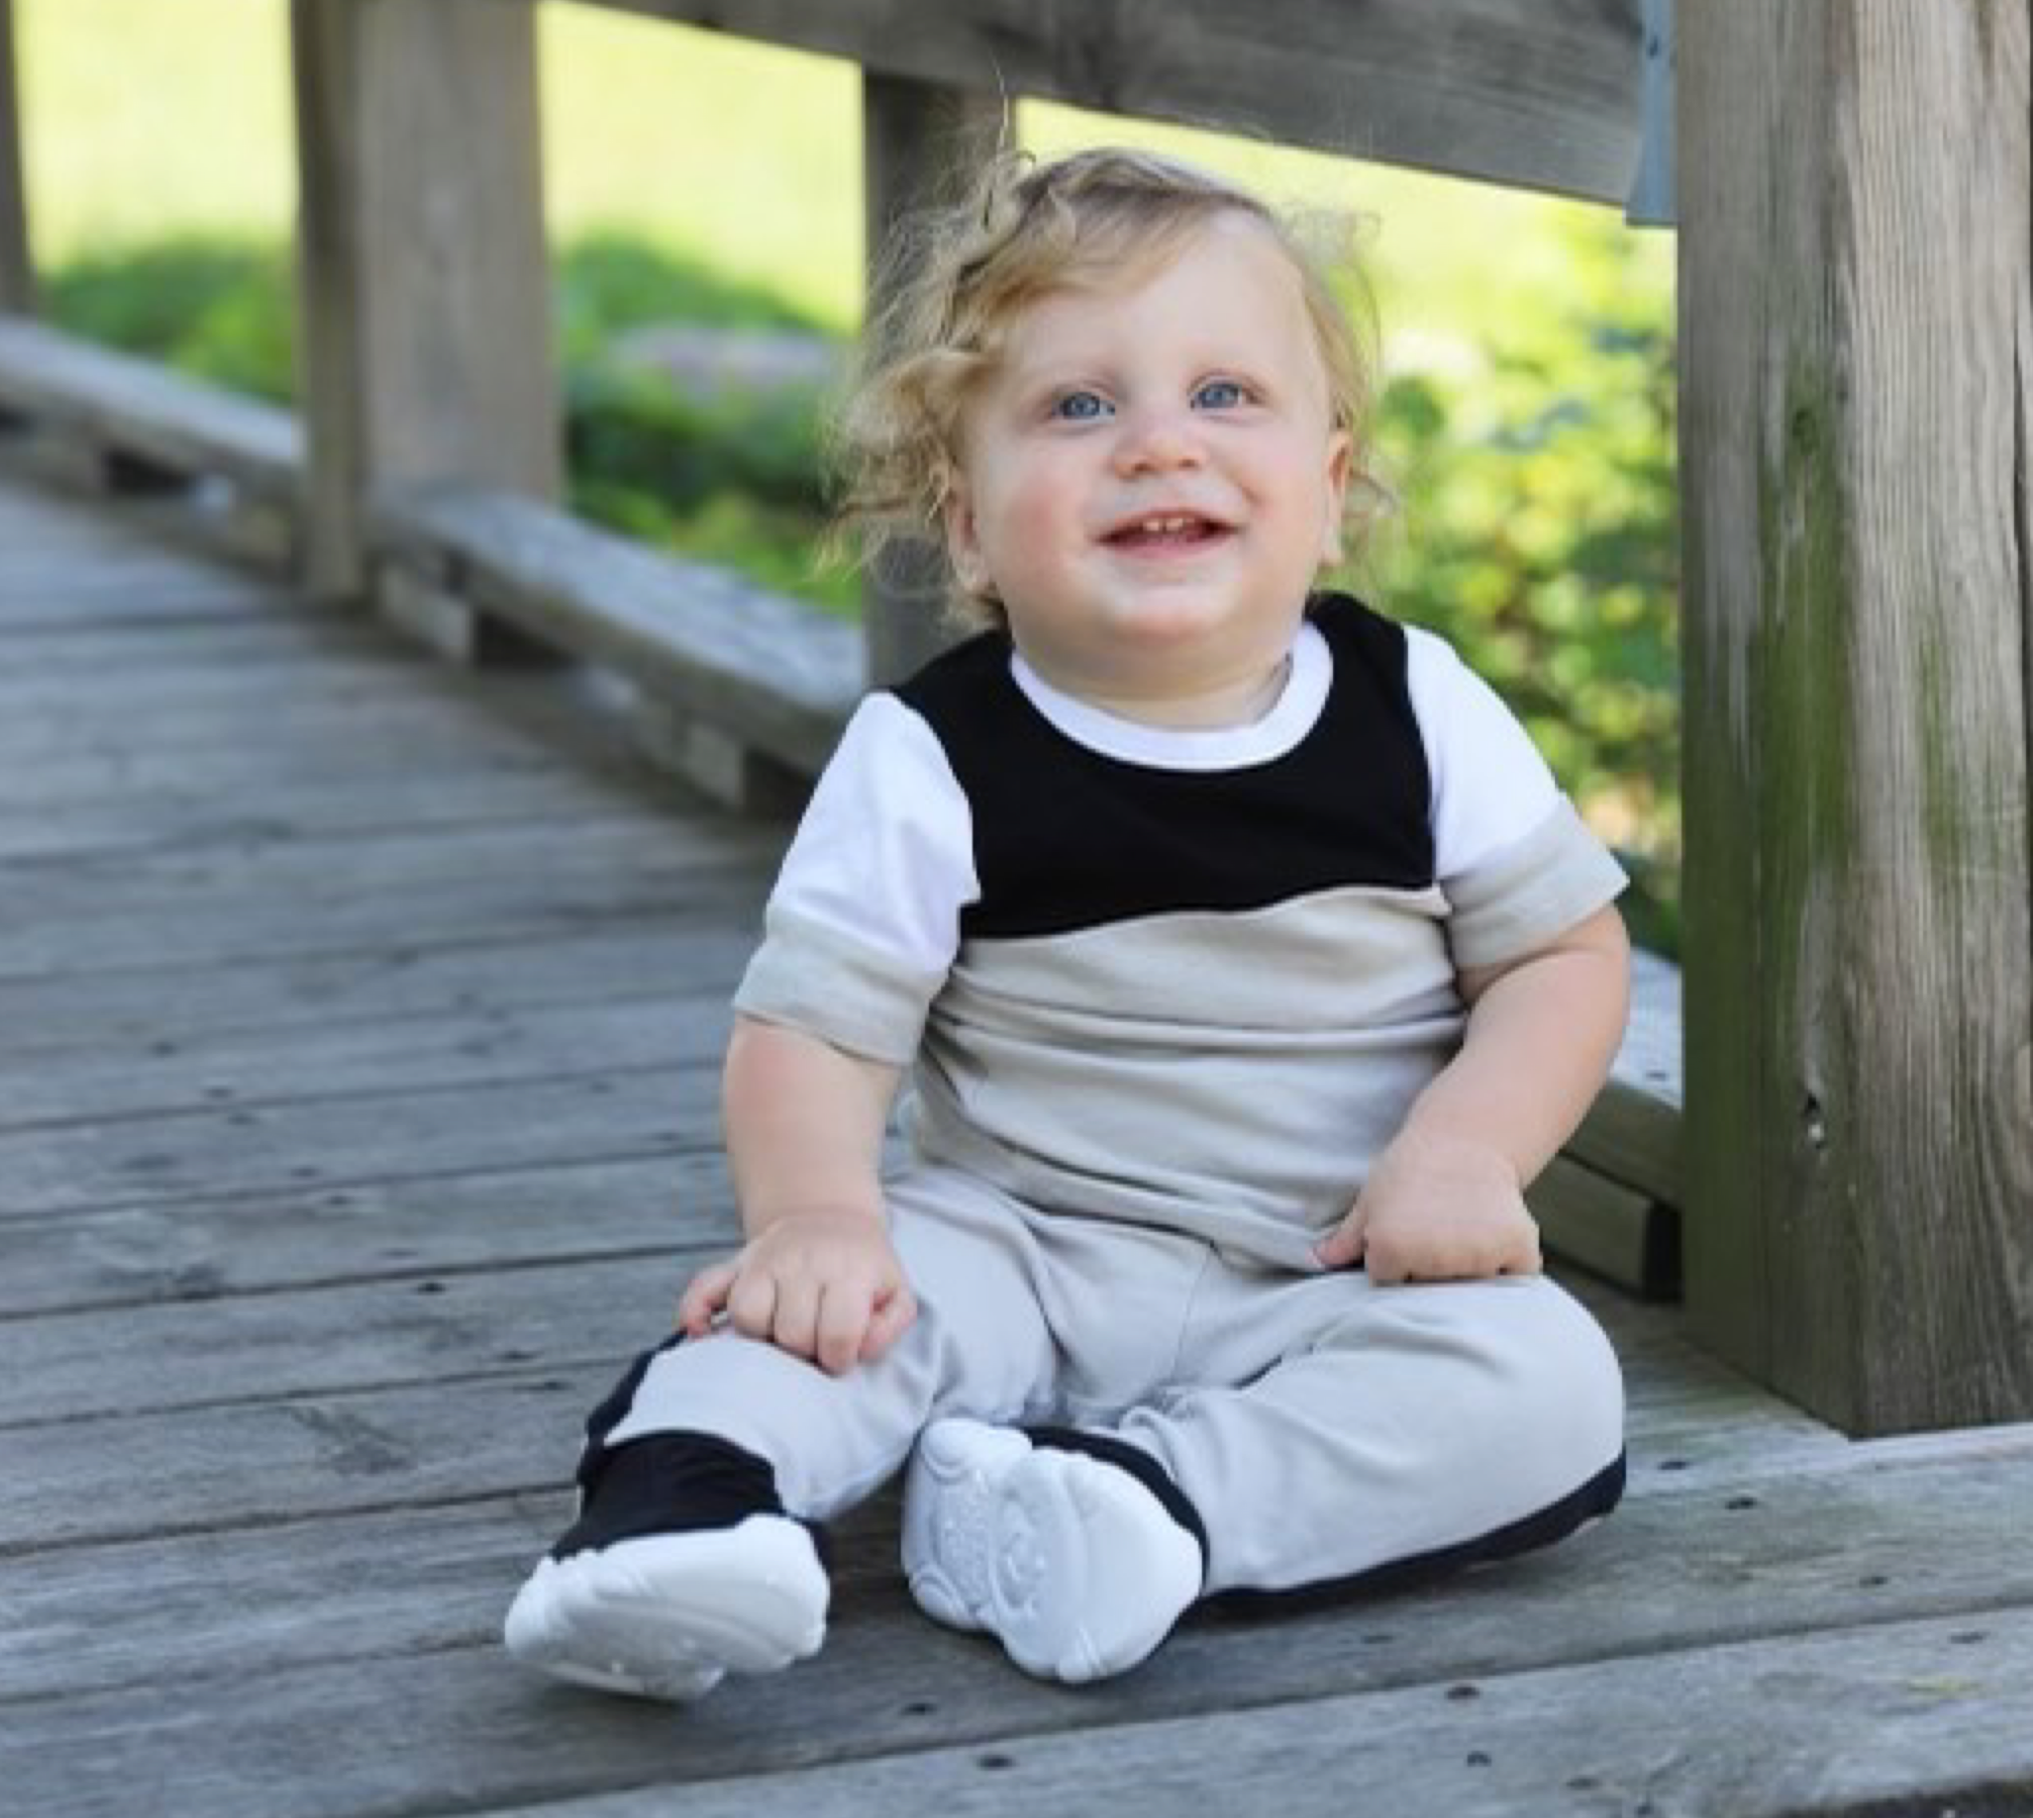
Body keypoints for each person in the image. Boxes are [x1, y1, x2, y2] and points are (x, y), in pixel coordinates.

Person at [503, 145, 1634, 1702]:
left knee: (1549, 1385)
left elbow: (1560, 957)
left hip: (1332, 1269)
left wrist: (1464, 1151)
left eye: (1225, 394)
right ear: (968, 527)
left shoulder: (1414, 705)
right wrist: (815, 1218)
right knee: (834, 1315)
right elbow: (813, 1034)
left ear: (1330, 489)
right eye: (1081, 406)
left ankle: (1141, 1506)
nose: (1161, 444)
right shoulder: (932, 757)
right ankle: (676, 1516)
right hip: (1024, 1245)